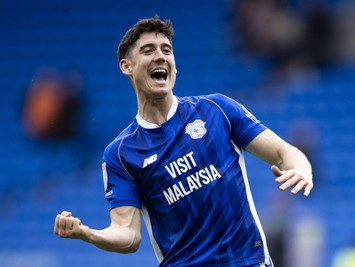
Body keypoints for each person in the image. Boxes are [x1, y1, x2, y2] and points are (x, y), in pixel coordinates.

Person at [54, 16, 313, 267]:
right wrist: (88, 234)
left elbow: (284, 152)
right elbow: (127, 234)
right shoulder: (120, 154)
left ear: (174, 65)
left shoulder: (217, 109)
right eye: (147, 50)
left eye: (166, 49)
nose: (160, 56)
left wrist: (301, 168)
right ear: (127, 66)